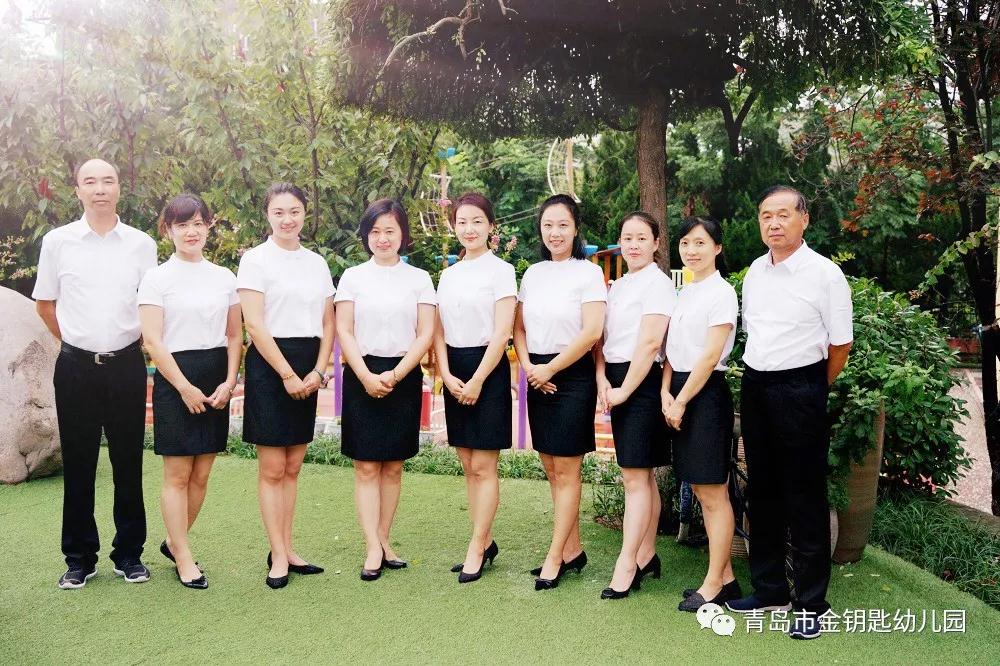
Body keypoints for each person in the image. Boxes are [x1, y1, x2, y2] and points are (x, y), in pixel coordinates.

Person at [725, 186, 853, 641]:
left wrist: (812, 388)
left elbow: (841, 345)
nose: (773, 223)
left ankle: (813, 604)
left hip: (802, 387)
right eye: (766, 215)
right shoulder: (755, 272)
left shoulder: (825, 274)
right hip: (756, 385)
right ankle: (770, 590)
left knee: (804, 495)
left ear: (804, 219)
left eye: (783, 214)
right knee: (762, 490)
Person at [33, 158, 157, 588]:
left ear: (119, 188)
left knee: (128, 461)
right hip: (75, 368)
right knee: (79, 463)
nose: (100, 188)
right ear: (78, 190)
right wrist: (73, 342)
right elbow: (45, 305)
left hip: (127, 365)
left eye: (108, 181)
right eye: (90, 181)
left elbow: (150, 305)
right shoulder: (58, 242)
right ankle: (79, 558)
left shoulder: (141, 244)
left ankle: (129, 554)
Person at [138, 194, 242, 590]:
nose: (191, 231)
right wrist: (183, 387)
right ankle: (183, 556)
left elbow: (234, 336)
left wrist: (230, 381)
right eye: (182, 225)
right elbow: (153, 340)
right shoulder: (157, 279)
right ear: (169, 230)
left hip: (216, 375)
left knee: (202, 473)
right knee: (178, 473)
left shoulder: (224, 277)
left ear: (209, 226)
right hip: (175, 377)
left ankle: (173, 541)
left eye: (198, 223)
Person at [237, 183, 336, 589]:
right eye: (279, 212)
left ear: (304, 213)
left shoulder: (317, 263)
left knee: (293, 466)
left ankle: (289, 548)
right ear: (267, 215)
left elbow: (328, 322)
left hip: (308, 363)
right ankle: (276, 554)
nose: (287, 219)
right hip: (270, 365)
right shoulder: (255, 261)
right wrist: (287, 374)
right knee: (273, 467)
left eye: (294, 211)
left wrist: (318, 370)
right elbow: (254, 324)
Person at [335, 199, 436, 582]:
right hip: (361, 372)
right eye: (375, 231)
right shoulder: (352, 277)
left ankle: (384, 540)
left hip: (403, 374)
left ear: (403, 234)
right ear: (366, 236)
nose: (382, 238)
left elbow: (425, 333)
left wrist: (396, 374)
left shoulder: (419, 279)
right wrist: (364, 375)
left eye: (390, 231)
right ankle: (372, 547)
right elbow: (344, 330)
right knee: (365, 466)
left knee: (393, 466)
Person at [513, 194, 606, 591]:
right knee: (550, 466)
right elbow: (518, 328)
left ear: (575, 228)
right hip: (537, 374)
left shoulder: (589, 273)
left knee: (567, 470)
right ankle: (572, 549)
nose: (555, 233)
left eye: (563, 225)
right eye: (548, 225)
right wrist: (530, 367)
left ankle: (554, 557)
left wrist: (551, 368)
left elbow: (592, 331)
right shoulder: (532, 274)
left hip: (572, 376)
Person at [434, 192, 516, 584]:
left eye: (477, 221)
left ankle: (476, 546)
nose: (469, 229)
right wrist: (446, 374)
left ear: (491, 226)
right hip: (454, 370)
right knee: (467, 464)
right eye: (462, 222)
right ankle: (485, 539)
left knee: (484, 465)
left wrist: (479, 379)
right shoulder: (448, 275)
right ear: (454, 226)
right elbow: (438, 330)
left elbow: (501, 333)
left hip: (488, 369)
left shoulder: (502, 271)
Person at [661, 216, 742, 612]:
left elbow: (709, 356)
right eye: (685, 243)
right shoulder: (685, 291)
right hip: (678, 390)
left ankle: (713, 584)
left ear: (717, 248)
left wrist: (680, 400)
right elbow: (671, 352)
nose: (691, 251)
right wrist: (665, 392)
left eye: (700, 243)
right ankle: (726, 579)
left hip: (705, 395)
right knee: (698, 487)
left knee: (713, 492)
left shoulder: (722, 293)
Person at [595, 211, 674, 599]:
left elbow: (650, 343)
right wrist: (602, 379)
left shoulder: (659, 284)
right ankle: (646, 554)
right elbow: (603, 339)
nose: (634, 245)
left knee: (634, 477)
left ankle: (627, 564)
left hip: (639, 382)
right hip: (616, 378)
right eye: (627, 238)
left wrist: (624, 390)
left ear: (656, 243)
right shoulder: (619, 286)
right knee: (641, 475)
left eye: (642, 238)